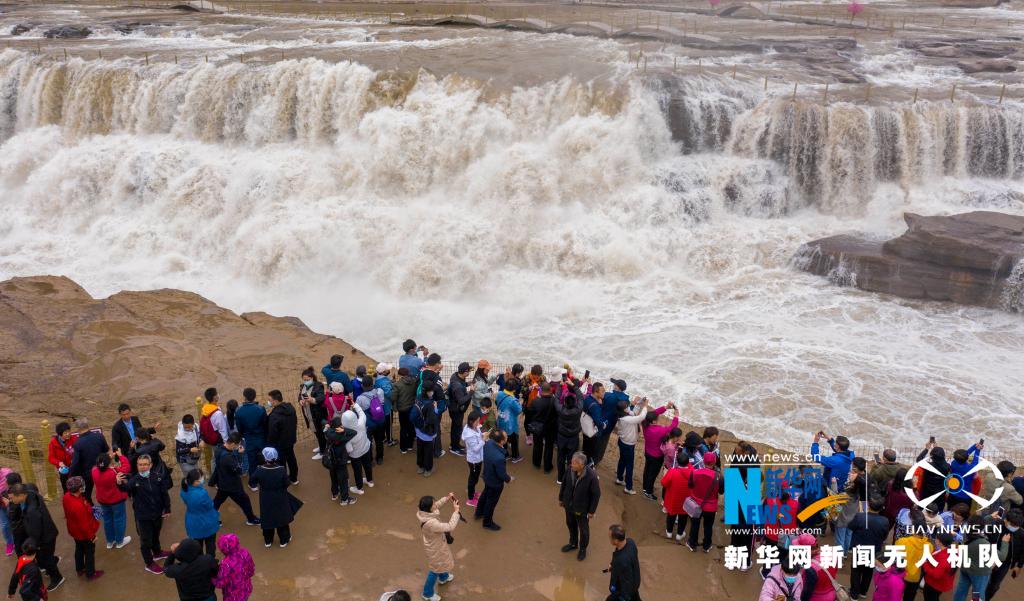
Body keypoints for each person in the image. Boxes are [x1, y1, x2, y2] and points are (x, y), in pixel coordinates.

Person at [6, 485, 62, 591]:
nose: (11, 500)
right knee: (45, 558)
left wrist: (35, 544)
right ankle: (53, 562)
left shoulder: (32, 511)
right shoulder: (31, 494)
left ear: (21, 495)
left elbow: (35, 531)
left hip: (45, 538)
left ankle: (57, 578)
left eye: (12, 498)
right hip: (48, 532)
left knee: (46, 559)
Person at [125, 454, 171, 575]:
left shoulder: (158, 477)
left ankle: (157, 553)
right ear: (137, 466)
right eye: (140, 465)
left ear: (150, 465)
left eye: (145, 464)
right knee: (145, 541)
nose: (143, 467)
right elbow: (125, 489)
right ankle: (149, 563)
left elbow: (164, 494)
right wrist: (119, 483)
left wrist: (167, 509)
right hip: (143, 516)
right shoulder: (134, 480)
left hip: (157, 514)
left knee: (156, 534)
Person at [252, 447, 302, 548]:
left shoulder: (259, 469)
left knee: (267, 518)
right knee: (281, 518)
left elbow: (252, 481)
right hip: (280, 497)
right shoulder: (281, 469)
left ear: (265, 458)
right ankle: (284, 540)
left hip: (265, 498)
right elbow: (287, 483)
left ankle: (268, 540)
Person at [417, 494, 460, 601]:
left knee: (440, 564)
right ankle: (427, 594)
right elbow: (450, 526)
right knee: (435, 569)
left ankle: (443, 577)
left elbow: (437, 505)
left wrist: (447, 498)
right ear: (430, 508)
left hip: (434, 543)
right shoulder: (432, 523)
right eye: (433, 503)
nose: (435, 504)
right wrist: (456, 512)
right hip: (435, 548)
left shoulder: (423, 513)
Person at [560, 451, 601, 561]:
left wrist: (591, 511)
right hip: (569, 505)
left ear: (581, 465)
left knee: (583, 530)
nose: (571, 464)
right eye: (572, 462)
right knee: (570, 523)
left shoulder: (591, 476)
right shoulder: (570, 469)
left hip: (582, 509)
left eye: (574, 463)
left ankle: (583, 549)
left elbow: (596, 494)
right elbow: (564, 483)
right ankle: (573, 543)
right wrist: (561, 499)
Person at [212, 434, 260, 525]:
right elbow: (240, 470)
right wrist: (241, 455)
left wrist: (237, 453)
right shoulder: (228, 458)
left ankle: (212, 519)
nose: (238, 446)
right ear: (233, 444)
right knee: (245, 501)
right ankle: (251, 519)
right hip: (232, 485)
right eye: (238, 445)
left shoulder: (218, 449)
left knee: (216, 502)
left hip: (222, 483)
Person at [61, 476, 102, 581]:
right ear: (79, 489)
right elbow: (84, 525)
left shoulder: (66, 496)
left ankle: (80, 569)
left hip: (74, 531)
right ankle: (90, 573)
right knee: (89, 552)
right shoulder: (78, 506)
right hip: (84, 534)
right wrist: (92, 537)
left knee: (79, 549)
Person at [849, 496, 890, 600]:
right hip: (873, 550)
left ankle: (854, 594)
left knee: (856, 571)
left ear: (868, 505)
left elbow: (850, 526)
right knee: (868, 571)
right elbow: (884, 536)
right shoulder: (885, 521)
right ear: (881, 508)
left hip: (859, 549)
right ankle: (863, 592)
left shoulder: (860, 517)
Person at [640, 402, 680, 501]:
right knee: (652, 474)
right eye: (656, 418)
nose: (658, 418)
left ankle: (645, 487)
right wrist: (676, 416)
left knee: (647, 470)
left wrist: (665, 407)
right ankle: (648, 492)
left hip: (648, 452)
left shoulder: (645, 424)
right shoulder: (659, 430)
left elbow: (653, 413)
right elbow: (673, 427)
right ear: (653, 421)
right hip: (656, 456)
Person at [92, 450, 131, 550]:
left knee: (107, 520)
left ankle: (110, 541)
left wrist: (107, 459)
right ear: (108, 463)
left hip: (103, 500)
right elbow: (126, 467)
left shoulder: (94, 471)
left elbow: (99, 466)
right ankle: (119, 541)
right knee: (119, 519)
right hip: (116, 500)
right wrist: (120, 456)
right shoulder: (114, 472)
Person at [686, 451, 723, 553]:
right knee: (708, 526)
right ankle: (706, 546)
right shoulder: (719, 477)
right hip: (710, 507)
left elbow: (690, 485)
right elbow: (721, 491)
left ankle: (692, 544)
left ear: (704, 461)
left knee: (695, 525)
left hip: (696, 504)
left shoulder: (694, 473)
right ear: (714, 462)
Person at [475, 429, 511, 531]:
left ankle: (479, 512)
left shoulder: (489, 443)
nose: (507, 437)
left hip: (487, 476)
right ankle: (487, 523)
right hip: (495, 483)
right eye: (506, 437)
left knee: (485, 494)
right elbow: (502, 474)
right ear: (502, 441)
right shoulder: (499, 457)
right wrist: (508, 479)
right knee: (491, 502)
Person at [180, 469, 219, 557]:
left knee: (197, 545)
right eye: (201, 478)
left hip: (192, 521)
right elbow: (210, 505)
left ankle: (200, 561)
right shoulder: (202, 493)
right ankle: (210, 561)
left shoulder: (184, 490)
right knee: (210, 545)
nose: (203, 479)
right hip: (206, 521)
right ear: (196, 481)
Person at [614, 397, 649, 495]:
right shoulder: (627, 419)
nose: (630, 406)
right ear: (625, 409)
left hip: (623, 442)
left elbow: (634, 412)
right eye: (628, 406)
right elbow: (641, 417)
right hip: (628, 445)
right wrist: (645, 406)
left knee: (622, 460)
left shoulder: (622, 416)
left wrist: (639, 403)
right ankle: (628, 487)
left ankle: (619, 478)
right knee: (629, 466)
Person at [69, 417, 109, 501]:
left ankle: (90, 511)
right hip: (101, 469)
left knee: (86, 496)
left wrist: (71, 474)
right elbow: (106, 450)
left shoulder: (78, 443)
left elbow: (75, 463)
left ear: (78, 429)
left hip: (87, 474)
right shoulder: (99, 436)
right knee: (106, 492)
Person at [895, 509, 931, 601]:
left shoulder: (901, 542)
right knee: (910, 596)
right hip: (916, 577)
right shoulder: (929, 546)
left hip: (901, 574)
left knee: (896, 594)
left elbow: (897, 559)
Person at [987, 508, 1022, 600]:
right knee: (981, 581)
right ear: (1006, 520)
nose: (1014, 527)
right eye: (1012, 524)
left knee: (994, 586)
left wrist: (1019, 565)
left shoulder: (1021, 534)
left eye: (1017, 526)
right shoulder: (996, 524)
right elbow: (985, 537)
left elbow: (1022, 551)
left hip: (1005, 563)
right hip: (989, 557)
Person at [235, 387, 268, 483]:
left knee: (252, 461)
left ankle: (253, 483)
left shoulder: (239, 411)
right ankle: (265, 479)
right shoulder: (261, 409)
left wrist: (242, 436)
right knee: (263, 459)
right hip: (261, 437)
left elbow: (239, 428)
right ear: (254, 397)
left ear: (244, 397)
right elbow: (265, 424)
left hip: (248, 439)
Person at [266, 389, 299, 485]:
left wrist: (270, 443)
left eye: (270, 400)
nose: (269, 402)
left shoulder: (274, 415)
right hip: (290, 439)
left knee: (281, 462)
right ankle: (294, 478)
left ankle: (283, 480)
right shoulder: (290, 408)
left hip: (280, 443)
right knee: (291, 458)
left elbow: (272, 432)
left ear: (275, 401)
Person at [342, 404, 375, 495]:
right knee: (367, 465)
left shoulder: (346, 434)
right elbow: (362, 414)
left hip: (355, 455)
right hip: (366, 448)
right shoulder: (361, 422)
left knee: (357, 470)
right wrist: (355, 405)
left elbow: (349, 449)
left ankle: (359, 488)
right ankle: (370, 481)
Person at [323, 416, 357, 505]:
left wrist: (328, 426)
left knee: (333, 477)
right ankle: (345, 499)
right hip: (340, 461)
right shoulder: (341, 437)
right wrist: (344, 430)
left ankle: (335, 494)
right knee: (343, 480)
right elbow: (354, 432)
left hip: (331, 460)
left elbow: (324, 424)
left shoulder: (328, 433)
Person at [661, 451, 693, 542]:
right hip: (686, 501)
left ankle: (669, 532)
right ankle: (680, 534)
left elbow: (663, 483)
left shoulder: (672, 471)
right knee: (683, 517)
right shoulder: (693, 473)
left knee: (671, 516)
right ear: (688, 462)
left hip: (673, 499)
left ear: (678, 462)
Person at [355, 376, 387, 464]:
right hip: (380, 421)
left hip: (369, 424)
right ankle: (380, 458)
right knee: (379, 440)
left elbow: (358, 411)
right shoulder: (379, 392)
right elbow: (382, 403)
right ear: (372, 384)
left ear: (362, 386)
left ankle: (370, 460)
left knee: (368, 442)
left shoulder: (360, 398)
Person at [213, 533, 254, 601]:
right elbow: (251, 570)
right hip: (246, 589)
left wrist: (212, 578)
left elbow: (220, 583)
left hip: (232, 596)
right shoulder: (245, 553)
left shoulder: (225, 564)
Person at [529, 382, 559, 474]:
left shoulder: (535, 401)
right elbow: (558, 414)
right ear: (550, 390)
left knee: (537, 445)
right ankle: (547, 467)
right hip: (550, 427)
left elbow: (530, 413)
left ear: (541, 390)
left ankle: (536, 463)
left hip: (538, 427)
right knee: (549, 447)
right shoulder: (554, 401)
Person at [555, 388, 583, 485]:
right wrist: (574, 387)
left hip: (562, 436)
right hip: (573, 437)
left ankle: (560, 478)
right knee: (572, 458)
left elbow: (557, 399)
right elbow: (581, 398)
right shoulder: (578, 410)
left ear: (565, 403)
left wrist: (560, 386)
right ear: (575, 403)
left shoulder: (561, 410)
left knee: (561, 457)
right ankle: (570, 478)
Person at [606, 524, 641, 601]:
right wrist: (612, 564)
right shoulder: (630, 542)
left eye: (610, 537)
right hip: (635, 584)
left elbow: (626, 581)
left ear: (616, 541)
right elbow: (618, 551)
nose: (609, 539)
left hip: (623, 591)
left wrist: (624, 598)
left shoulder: (622, 561)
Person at [413, 384, 440, 477]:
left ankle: (420, 466)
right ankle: (428, 469)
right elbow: (432, 419)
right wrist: (436, 409)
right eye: (431, 391)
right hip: (427, 432)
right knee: (428, 451)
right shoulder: (430, 404)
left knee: (420, 448)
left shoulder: (418, 398)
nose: (432, 393)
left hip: (418, 428)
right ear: (428, 392)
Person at [447, 362, 473, 456]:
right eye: (469, 371)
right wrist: (471, 392)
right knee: (457, 429)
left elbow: (461, 384)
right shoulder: (457, 386)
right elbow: (461, 400)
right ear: (465, 372)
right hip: (456, 410)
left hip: (454, 407)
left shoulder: (456, 376)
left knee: (456, 427)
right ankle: (454, 448)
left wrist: (467, 384)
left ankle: (454, 444)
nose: (470, 372)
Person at [922, 533, 957, 601]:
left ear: (940, 542)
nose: (935, 540)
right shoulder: (951, 551)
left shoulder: (943, 558)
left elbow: (936, 575)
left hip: (935, 585)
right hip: (943, 582)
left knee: (930, 597)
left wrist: (925, 564)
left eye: (937, 539)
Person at [914, 443, 951, 508]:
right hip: (939, 493)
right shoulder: (947, 466)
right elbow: (943, 461)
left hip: (926, 491)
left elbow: (919, 460)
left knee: (924, 508)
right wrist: (937, 450)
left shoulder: (929, 466)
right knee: (937, 510)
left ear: (932, 456)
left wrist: (927, 449)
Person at [496, 380, 524, 463]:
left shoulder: (500, 394)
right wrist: (520, 403)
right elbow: (519, 410)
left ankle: (505, 454)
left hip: (501, 421)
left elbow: (497, 402)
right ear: (514, 389)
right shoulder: (513, 400)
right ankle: (515, 457)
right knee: (514, 440)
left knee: (503, 439)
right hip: (510, 424)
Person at [462, 411, 485, 507]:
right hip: (474, 460)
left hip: (477, 459)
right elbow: (475, 449)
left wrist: (483, 435)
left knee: (474, 477)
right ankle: (470, 499)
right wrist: (483, 440)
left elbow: (478, 437)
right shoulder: (469, 435)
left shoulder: (474, 428)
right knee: (473, 478)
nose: (479, 422)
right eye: (477, 421)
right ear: (471, 422)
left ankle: (472, 492)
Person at [581, 383, 607, 466]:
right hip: (592, 432)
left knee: (585, 448)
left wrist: (599, 403)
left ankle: (583, 462)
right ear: (596, 392)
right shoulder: (595, 406)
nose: (604, 393)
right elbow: (598, 422)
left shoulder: (588, 398)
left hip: (585, 427)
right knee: (590, 451)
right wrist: (604, 425)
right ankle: (587, 468)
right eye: (602, 391)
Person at [394, 367, 418, 454]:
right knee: (411, 426)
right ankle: (410, 445)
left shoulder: (397, 384)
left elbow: (393, 397)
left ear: (400, 375)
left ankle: (403, 448)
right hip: (411, 407)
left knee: (403, 428)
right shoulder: (414, 381)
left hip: (402, 409)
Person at [200, 388, 230, 457]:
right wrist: (226, 443)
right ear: (215, 397)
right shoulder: (217, 413)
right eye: (217, 394)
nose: (218, 395)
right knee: (219, 458)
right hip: (218, 440)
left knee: (215, 457)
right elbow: (222, 429)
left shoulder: (206, 408)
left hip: (211, 438)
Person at [46, 422, 75, 494]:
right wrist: (58, 462)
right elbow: (51, 458)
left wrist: (74, 459)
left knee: (76, 484)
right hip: (63, 469)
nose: (68, 434)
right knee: (65, 486)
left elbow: (78, 450)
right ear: (60, 434)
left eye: (69, 431)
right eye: (65, 433)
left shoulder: (73, 439)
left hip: (73, 466)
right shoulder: (53, 443)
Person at [374, 363, 396, 447]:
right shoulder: (384, 381)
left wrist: (391, 383)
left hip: (380, 406)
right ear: (383, 372)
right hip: (387, 406)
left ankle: (383, 438)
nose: (389, 371)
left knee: (382, 423)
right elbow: (389, 394)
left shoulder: (377, 379)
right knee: (389, 424)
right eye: (387, 370)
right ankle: (390, 440)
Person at [0, 467, 16, 557]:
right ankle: (10, 543)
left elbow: (15, 484)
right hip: (0, 503)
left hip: (12, 500)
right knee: (5, 524)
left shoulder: (7, 472)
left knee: (16, 519)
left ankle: (21, 539)